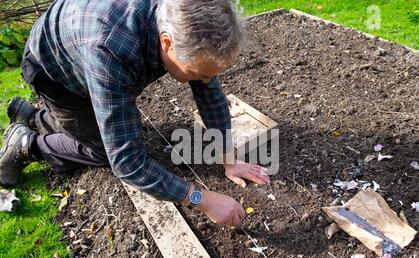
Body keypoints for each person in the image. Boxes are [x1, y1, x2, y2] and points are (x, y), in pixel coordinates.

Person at [0, 0, 270, 226]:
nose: (205, 82)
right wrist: (203, 199)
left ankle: (36, 118)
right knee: (104, 151)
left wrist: (229, 158)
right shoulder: (112, 51)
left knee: (95, 122)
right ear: (167, 43)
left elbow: (208, 92)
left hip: (79, 42)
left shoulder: (184, 18)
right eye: (199, 74)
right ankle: (28, 144)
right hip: (54, 72)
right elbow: (127, 162)